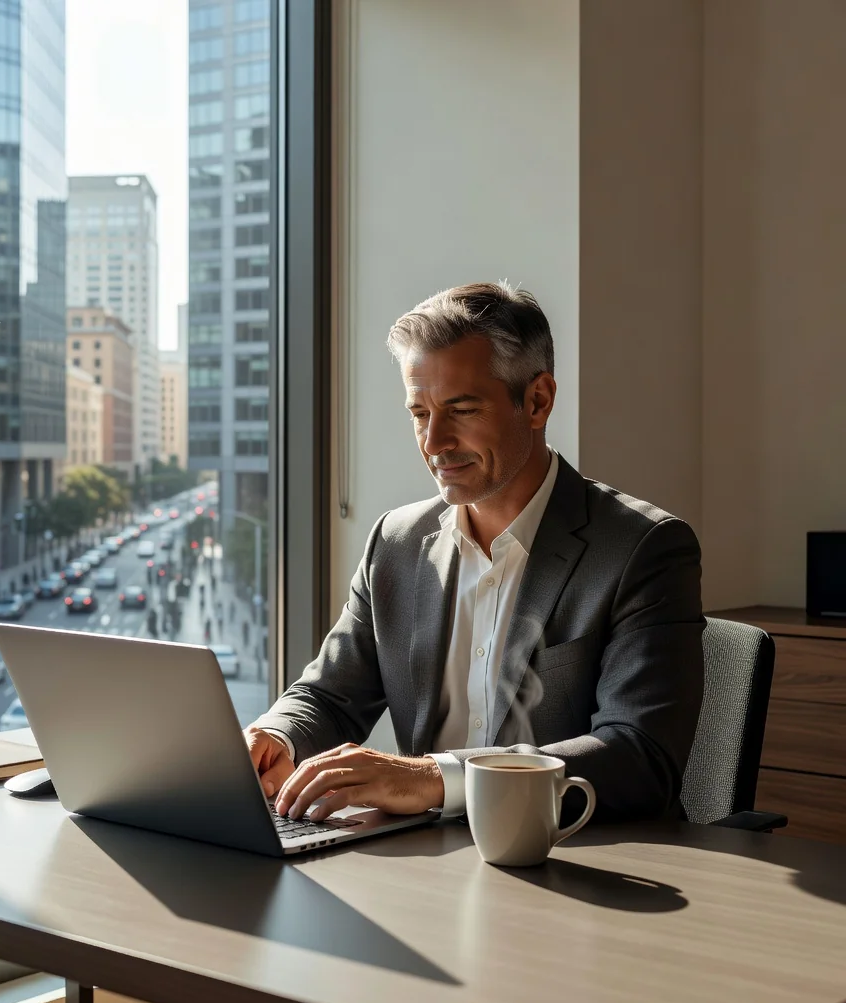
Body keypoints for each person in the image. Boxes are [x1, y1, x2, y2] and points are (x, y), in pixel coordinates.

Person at [245, 282, 704, 827]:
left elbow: (639, 757)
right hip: (422, 863)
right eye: (419, 413)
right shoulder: (394, 543)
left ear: (537, 401)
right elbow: (330, 696)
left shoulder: (642, 549)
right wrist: (276, 735)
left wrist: (435, 778)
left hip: (578, 861)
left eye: (460, 410)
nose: (434, 441)